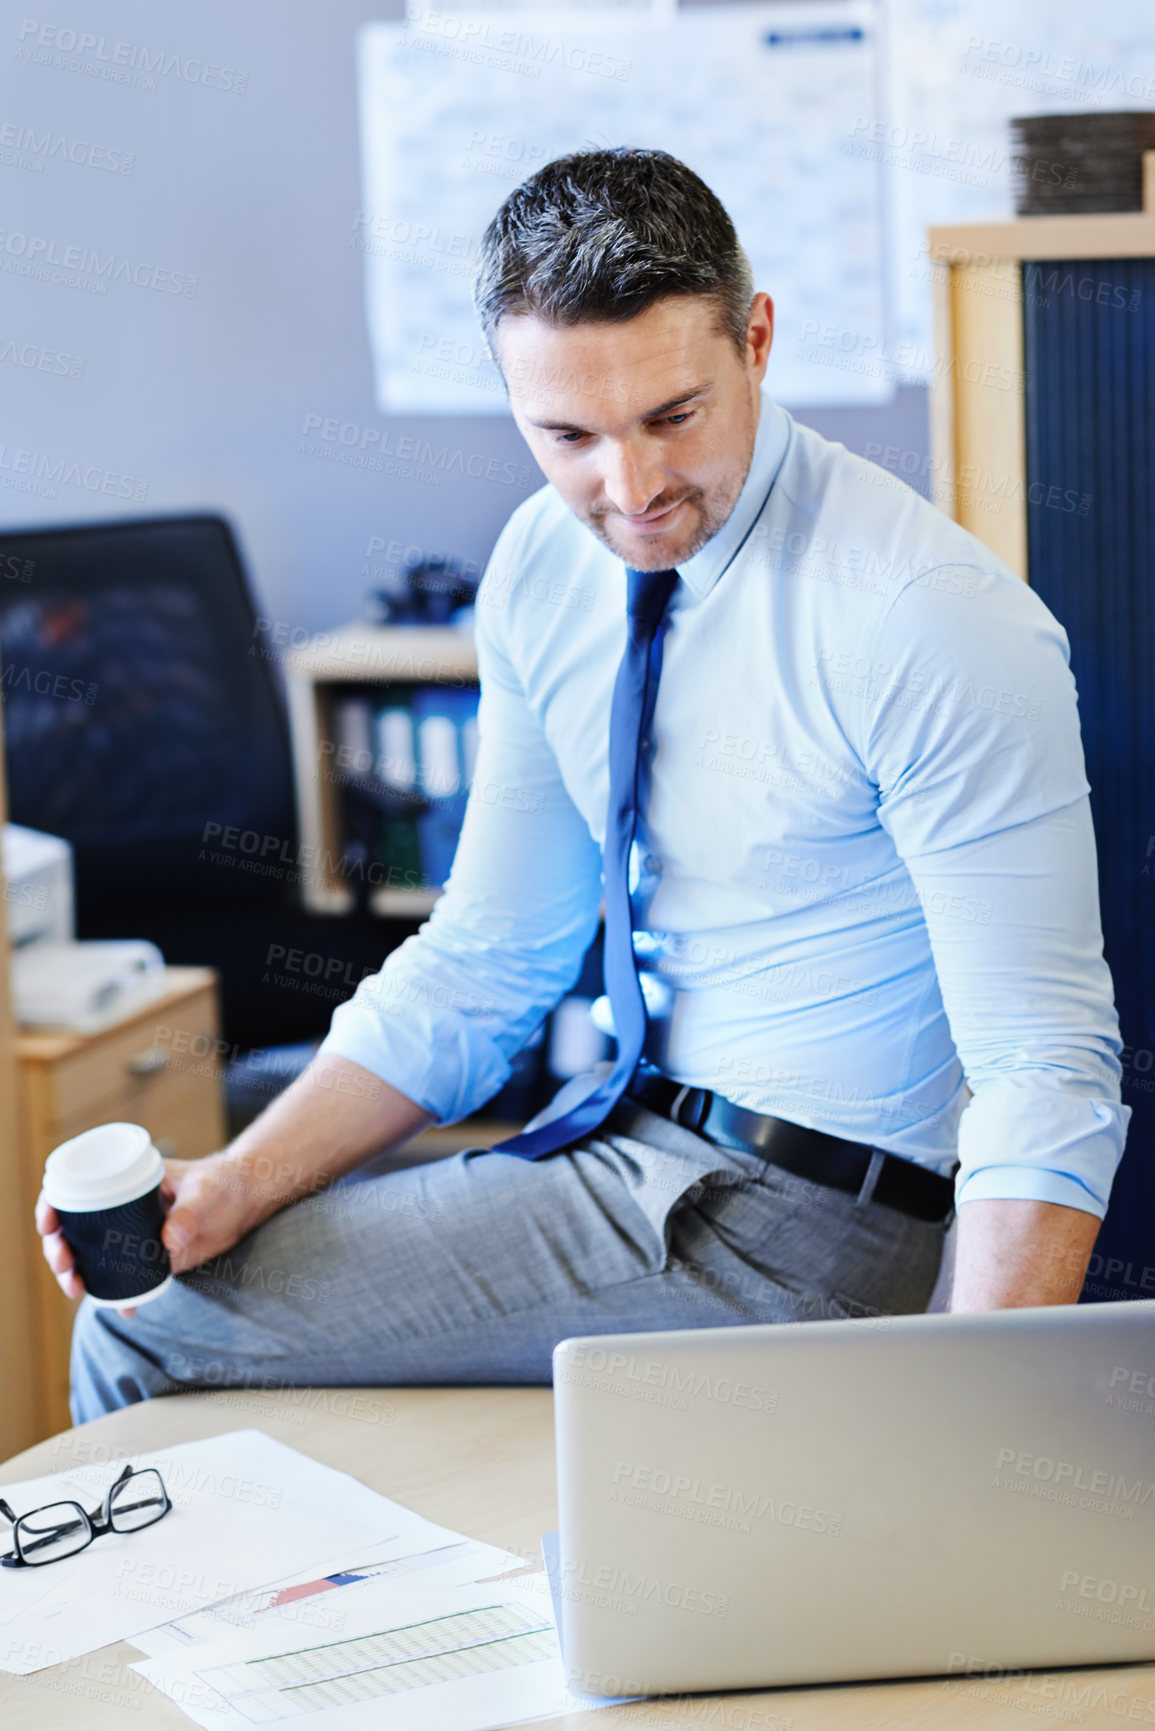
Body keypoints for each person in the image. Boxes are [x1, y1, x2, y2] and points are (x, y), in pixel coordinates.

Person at [45, 148, 1127, 1422]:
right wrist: (238, 1179)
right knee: (171, 1267)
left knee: (150, 1331)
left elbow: (1044, 1065)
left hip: (801, 1227)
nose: (632, 490)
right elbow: (493, 957)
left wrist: (965, 1421)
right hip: (621, 1143)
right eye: (566, 435)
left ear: (758, 339)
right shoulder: (545, 566)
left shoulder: (925, 619)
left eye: (675, 415)